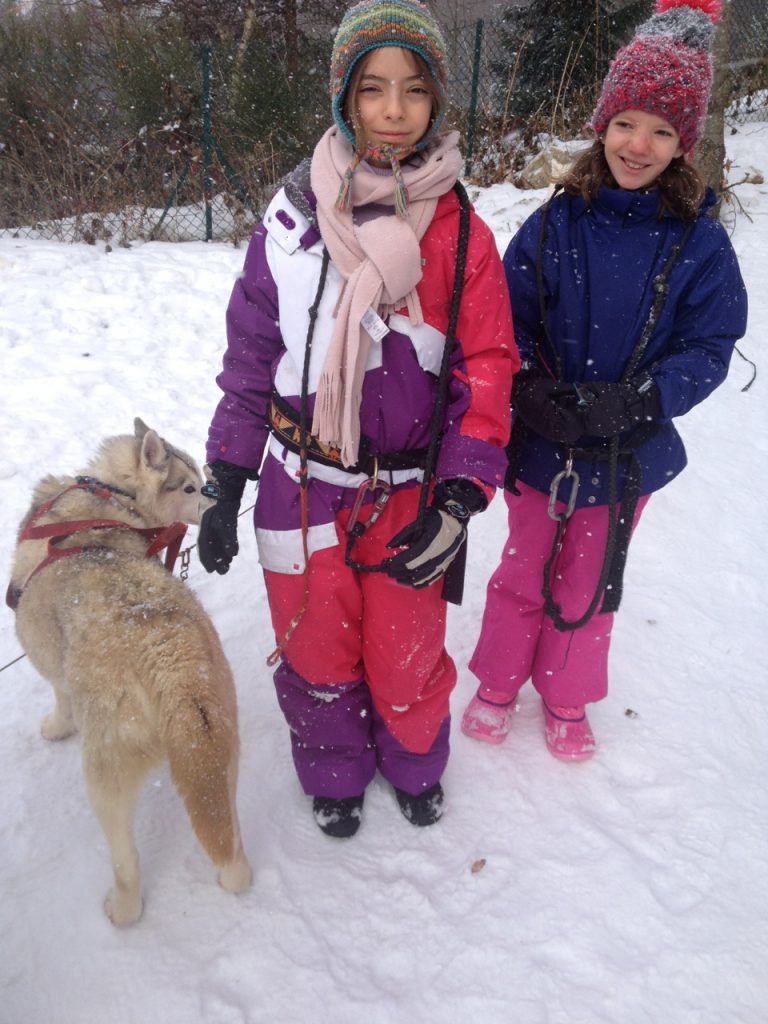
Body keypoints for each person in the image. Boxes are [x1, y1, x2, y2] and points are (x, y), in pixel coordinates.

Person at [197, 0, 517, 836]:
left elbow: (487, 369)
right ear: (345, 98)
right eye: (373, 88)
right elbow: (252, 355)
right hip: (298, 488)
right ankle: (334, 767)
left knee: (406, 652)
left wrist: (460, 496)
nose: (394, 109)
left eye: (414, 89)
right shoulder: (292, 224)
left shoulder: (460, 235)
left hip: (409, 491)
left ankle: (414, 761)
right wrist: (226, 474)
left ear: (436, 101)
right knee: (315, 649)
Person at [461, 0, 747, 761]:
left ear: (683, 144)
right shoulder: (555, 224)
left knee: (589, 582)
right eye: (626, 122)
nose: (638, 144)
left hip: (627, 451)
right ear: (602, 124)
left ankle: (566, 694)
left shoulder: (699, 242)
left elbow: (710, 343)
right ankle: (498, 681)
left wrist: (644, 398)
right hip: (543, 441)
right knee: (523, 569)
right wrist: (527, 388)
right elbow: (504, 320)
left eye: (662, 130)